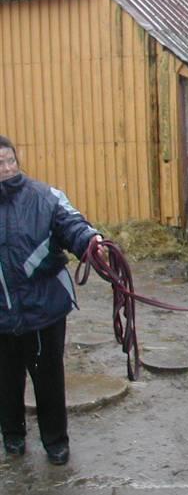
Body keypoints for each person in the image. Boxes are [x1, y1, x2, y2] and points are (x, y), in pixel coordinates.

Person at [0, 135, 105, 465]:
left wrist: (90, 241)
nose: (6, 168)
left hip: (43, 308)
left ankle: (55, 442)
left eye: (10, 161)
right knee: (6, 381)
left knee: (48, 380)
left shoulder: (45, 197)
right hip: (2, 314)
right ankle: (13, 436)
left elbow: (72, 224)